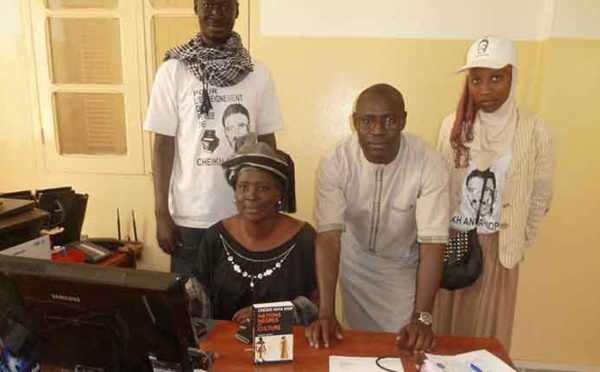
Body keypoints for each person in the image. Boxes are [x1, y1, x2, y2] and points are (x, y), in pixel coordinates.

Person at [306, 84, 450, 353]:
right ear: (355, 122)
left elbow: (432, 245)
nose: (378, 131)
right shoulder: (337, 161)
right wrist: (325, 312)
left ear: (403, 120)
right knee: (357, 345)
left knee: (403, 345)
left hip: (402, 265)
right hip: (354, 261)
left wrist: (422, 317)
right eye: (367, 121)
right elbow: (328, 238)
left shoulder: (428, 162)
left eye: (389, 120)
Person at [433, 35, 555, 350]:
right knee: (446, 332)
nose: (485, 89)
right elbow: (441, 185)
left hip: (501, 248)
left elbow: (541, 194)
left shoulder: (534, 128)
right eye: (477, 79)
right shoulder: (452, 126)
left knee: (487, 337)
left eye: (496, 78)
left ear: (512, 76)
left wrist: (519, 237)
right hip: (455, 246)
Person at [143, 0, 283, 275]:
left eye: (224, 5)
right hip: (191, 218)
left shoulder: (259, 73)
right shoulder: (174, 71)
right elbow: (163, 144)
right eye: (208, 4)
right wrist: (162, 213)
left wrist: (272, 206)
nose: (216, 13)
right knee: (191, 310)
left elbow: (267, 143)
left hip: (247, 215)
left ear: (237, 11)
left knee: (240, 310)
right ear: (196, 9)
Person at [191, 135, 318, 324]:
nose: (250, 196)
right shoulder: (216, 237)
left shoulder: (304, 239)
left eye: (262, 188)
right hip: (225, 346)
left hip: (288, 347)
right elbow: (199, 298)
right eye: (243, 187)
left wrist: (268, 316)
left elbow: (317, 307)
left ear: (279, 193)